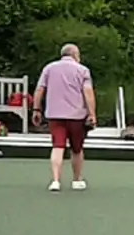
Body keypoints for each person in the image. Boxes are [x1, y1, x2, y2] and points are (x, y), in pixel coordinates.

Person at [32, 42, 95, 192]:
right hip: (77, 115)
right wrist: (92, 113)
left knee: (57, 146)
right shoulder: (83, 70)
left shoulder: (49, 68)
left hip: (55, 114)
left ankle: (55, 180)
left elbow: (39, 89)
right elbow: (88, 93)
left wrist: (36, 109)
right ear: (75, 55)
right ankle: (76, 180)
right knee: (77, 149)